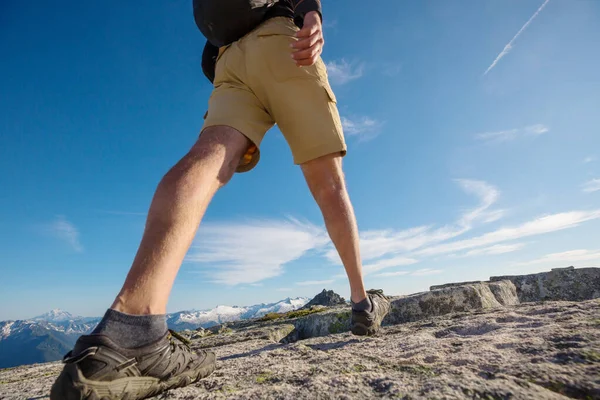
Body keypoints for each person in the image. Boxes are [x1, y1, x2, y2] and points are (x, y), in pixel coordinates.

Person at [50, 1, 390, 399]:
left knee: (207, 157)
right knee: (329, 184)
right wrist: (312, 13)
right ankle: (362, 303)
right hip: (282, 43)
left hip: (228, 61)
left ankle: (131, 328)